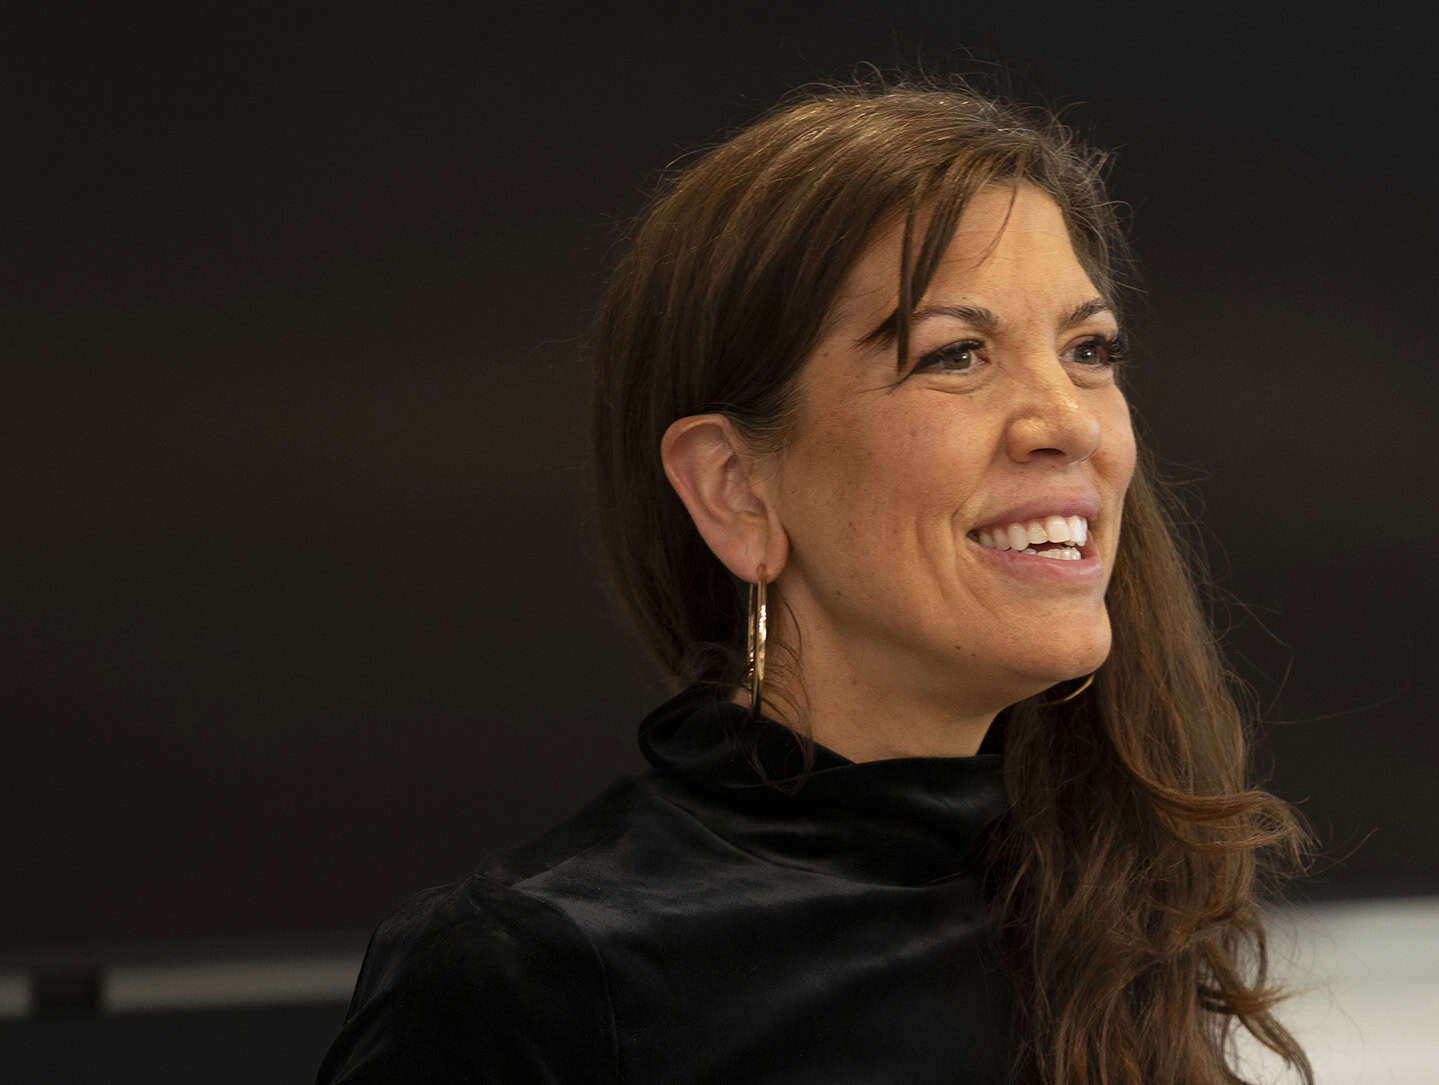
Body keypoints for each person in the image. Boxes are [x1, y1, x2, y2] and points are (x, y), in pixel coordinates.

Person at [316, 76, 1314, 1085]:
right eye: (956, 354)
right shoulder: (524, 980)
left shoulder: (1112, 899)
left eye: (1087, 349)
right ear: (735, 489)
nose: (1068, 420)